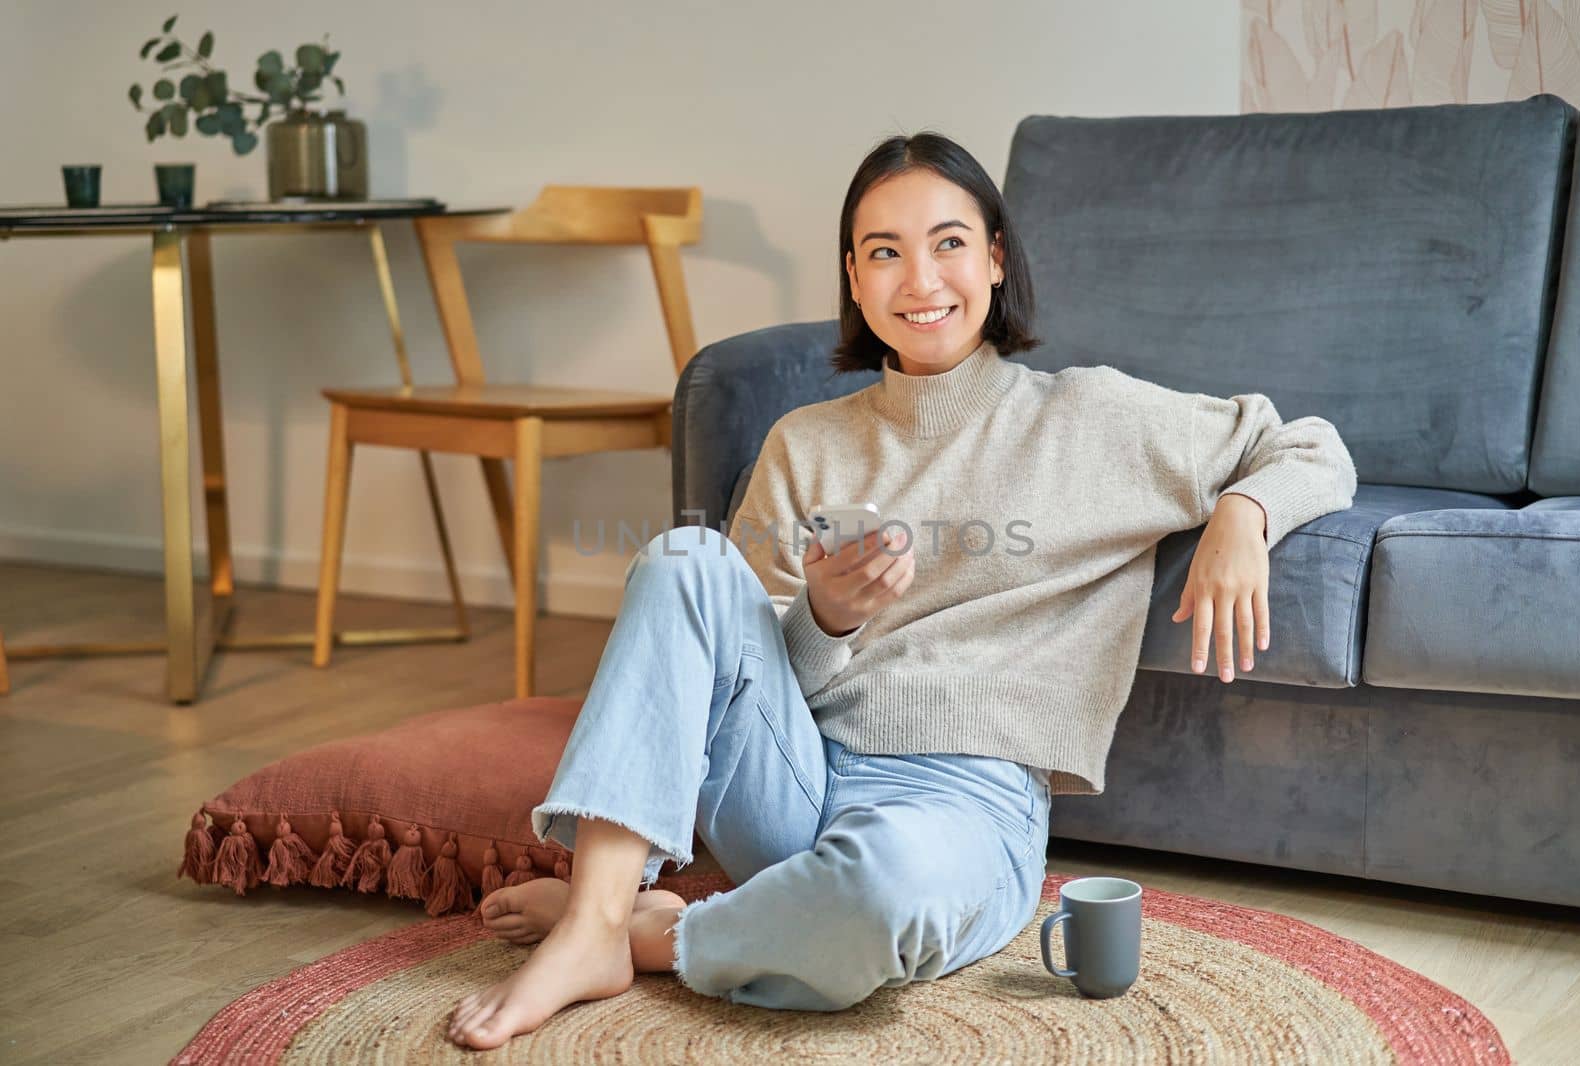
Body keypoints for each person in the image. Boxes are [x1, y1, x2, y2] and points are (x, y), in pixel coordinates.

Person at [448, 131, 1357, 1050]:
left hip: (964, 808)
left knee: (878, 898)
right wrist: (826, 616)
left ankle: (665, 932)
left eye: (949, 243)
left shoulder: (1089, 418)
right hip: (793, 774)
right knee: (686, 560)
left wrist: (1244, 513)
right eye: (885, 252)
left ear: (996, 259)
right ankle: (596, 921)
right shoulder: (805, 442)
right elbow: (736, 665)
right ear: (852, 275)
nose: (921, 280)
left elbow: (1308, 444)